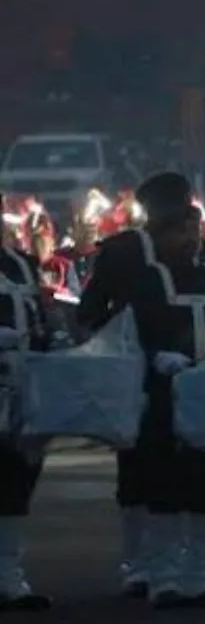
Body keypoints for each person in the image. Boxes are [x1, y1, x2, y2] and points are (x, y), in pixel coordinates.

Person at [76, 172, 195, 598]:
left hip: (186, 365)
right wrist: (116, 349)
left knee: (181, 462)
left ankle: (167, 557)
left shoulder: (193, 249)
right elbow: (91, 310)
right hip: (135, 367)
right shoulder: (123, 251)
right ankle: (137, 561)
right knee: (137, 461)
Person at [127, 199, 205, 609]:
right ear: (159, 236)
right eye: (179, 232)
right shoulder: (145, 280)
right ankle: (163, 577)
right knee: (164, 483)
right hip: (163, 393)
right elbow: (129, 332)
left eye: (193, 232)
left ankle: (200, 576)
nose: (189, 240)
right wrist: (155, 355)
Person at [0, 243, 54, 611]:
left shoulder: (20, 262)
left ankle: (8, 576)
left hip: (23, 383)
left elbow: (37, 315)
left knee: (17, 480)